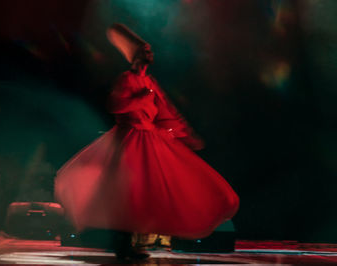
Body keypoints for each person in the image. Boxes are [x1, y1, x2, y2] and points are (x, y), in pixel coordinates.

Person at [55, 23, 239, 260]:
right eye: (146, 50)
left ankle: (133, 245)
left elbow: (166, 113)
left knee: (144, 195)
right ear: (137, 55)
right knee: (128, 194)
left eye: (151, 50)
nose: (151, 54)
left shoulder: (150, 83)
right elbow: (115, 105)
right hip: (129, 140)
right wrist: (138, 98)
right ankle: (123, 246)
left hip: (150, 140)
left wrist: (184, 135)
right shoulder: (127, 79)